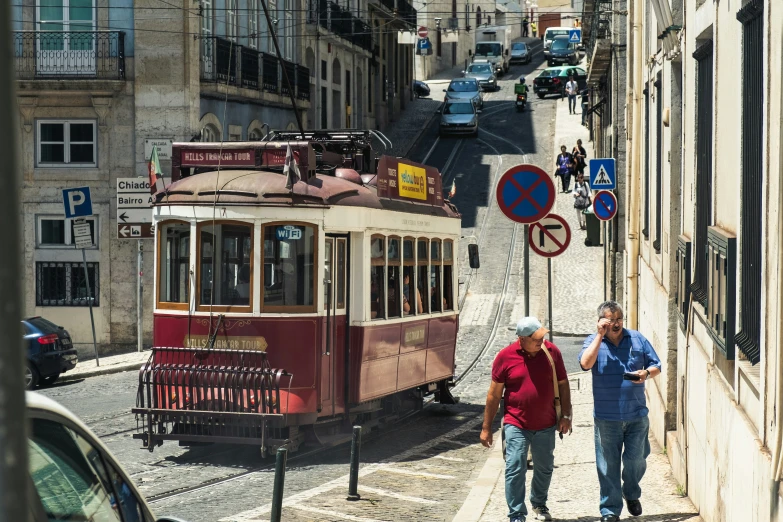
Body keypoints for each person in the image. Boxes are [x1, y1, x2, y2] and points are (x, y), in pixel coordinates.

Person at [480, 317, 572, 522]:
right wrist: (486, 427)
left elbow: (564, 384)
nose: (541, 341)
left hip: (547, 423)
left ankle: (539, 504)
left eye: (542, 336)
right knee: (514, 466)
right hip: (516, 423)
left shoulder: (552, 352)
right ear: (521, 339)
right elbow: (494, 395)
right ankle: (516, 514)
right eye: (536, 338)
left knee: (545, 466)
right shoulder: (505, 357)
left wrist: (566, 415)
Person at [578, 301, 662, 522]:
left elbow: (657, 365)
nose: (615, 324)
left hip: (636, 415)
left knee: (637, 460)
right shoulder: (592, 342)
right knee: (607, 466)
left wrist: (646, 373)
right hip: (607, 418)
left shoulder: (637, 338)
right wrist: (599, 336)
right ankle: (610, 510)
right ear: (600, 321)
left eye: (618, 319)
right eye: (610, 320)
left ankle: (631, 492)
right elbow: (586, 364)